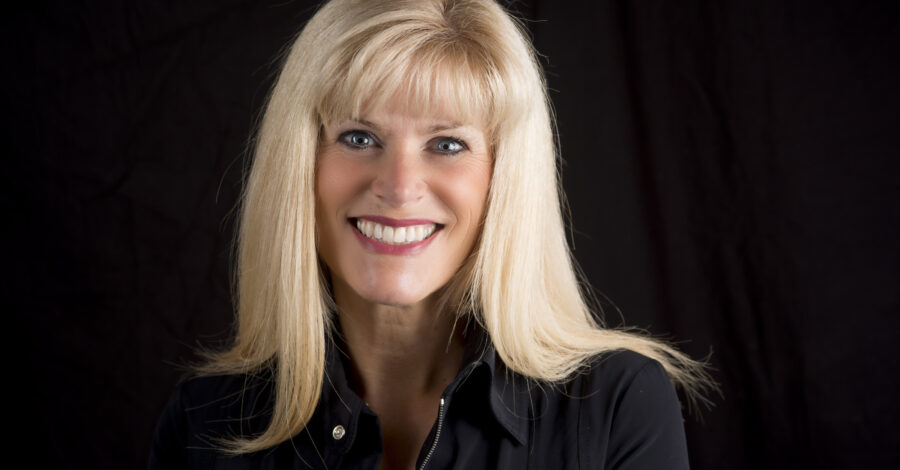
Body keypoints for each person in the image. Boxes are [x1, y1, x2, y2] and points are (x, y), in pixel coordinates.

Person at [150, 0, 715, 468]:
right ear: (298, 164)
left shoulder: (617, 408)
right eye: (357, 137)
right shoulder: (202, 424)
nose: (398, 187)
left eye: (447, 145)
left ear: (503, 179)